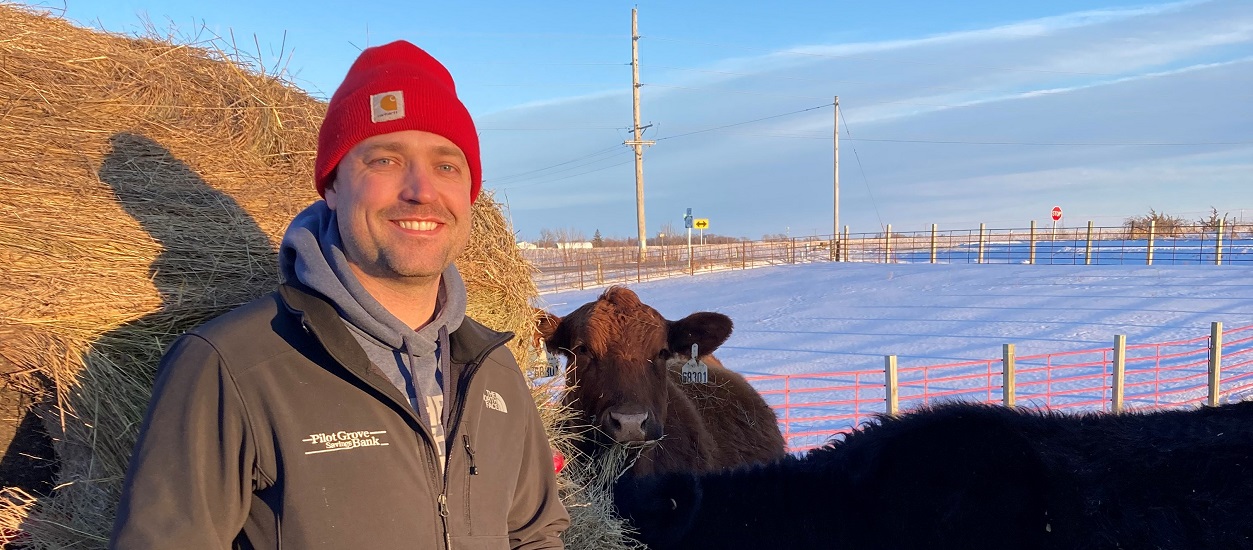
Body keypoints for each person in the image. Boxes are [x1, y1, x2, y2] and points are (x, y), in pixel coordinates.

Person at [110, 40, 569, 549]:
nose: (421, 189)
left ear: (469, 194)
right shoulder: (230, 368)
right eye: (386, 160)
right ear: (331, 185)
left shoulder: (495, 370)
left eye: (446, 165)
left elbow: (536, 534)